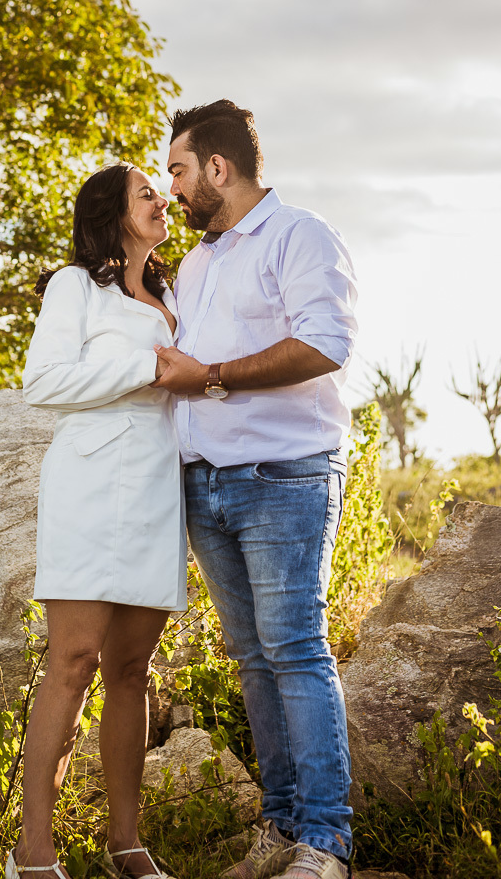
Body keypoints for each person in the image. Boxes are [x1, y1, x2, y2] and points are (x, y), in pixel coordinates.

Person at [153, 100, 358, 879]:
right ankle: (280, 825)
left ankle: (324, 843)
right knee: (252, 658)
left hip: (283, 475)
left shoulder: (299, 235)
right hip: (204, 484)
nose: (171, 188)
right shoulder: (198, 262)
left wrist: (210, 377)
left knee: (295, 651)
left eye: (178, 170)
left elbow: (324, 344)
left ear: (218, 166)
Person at [6, 163, 186, 879]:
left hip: (157, 491)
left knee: (132, 672)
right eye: (147, 193)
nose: (162, 199)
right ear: (112, 213)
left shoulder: (174, 296)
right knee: (74, 661)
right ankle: (33, 852)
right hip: (88, 486)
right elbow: (43, 382)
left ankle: (125, 844)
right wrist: (146, 367)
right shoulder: (74, 287)